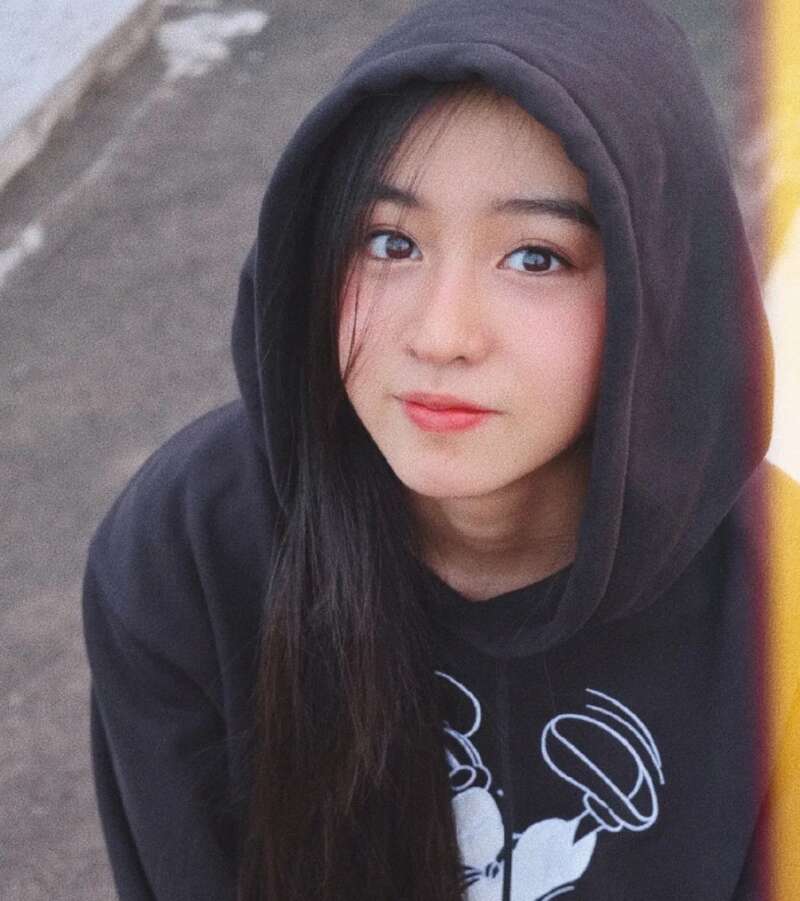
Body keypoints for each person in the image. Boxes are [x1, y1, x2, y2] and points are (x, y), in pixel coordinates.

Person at [81, 0, 800, 899]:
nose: (442, 334)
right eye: (390, 243)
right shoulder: (187, 552)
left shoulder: (773, 604)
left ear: (657, 288)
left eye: (535, 257)